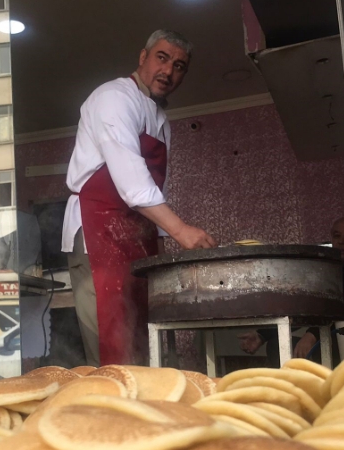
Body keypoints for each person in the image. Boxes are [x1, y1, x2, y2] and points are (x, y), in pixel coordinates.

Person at [63, 30, 217, 367]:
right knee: (112, 343)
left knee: (145, 340)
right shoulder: (113, 98)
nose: (168, 71)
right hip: (97, 232)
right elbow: (131, 178)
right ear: (143, 57)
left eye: (179, 66)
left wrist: (160, 243)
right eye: (162, 58)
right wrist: (180, 230)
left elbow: (154, 189)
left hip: (137, 236)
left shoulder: (160, 118)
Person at [238, 216, 344, 366]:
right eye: (337, 236)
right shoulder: (332, 272)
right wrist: (262, 335)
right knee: (277, 345)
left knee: (279, 348)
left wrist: (312, 335)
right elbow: (309, 311)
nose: (341, 242)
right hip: (332, 339)